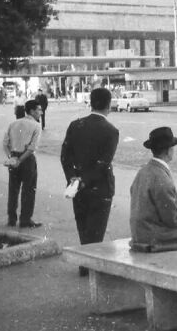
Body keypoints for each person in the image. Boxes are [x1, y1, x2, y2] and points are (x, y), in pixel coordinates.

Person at [60, 88, 119, 276]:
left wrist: (73, 178)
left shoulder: (75, 125)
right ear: (108, 104)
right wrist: (85, 180)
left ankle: (85, 263)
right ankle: (89, 266)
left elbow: (65, 156)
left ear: (91, 103)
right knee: (96, 229)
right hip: (100, 187)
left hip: (76, 186)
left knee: (83, 226)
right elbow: (103, 163)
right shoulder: (111, 130)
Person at [129, 127, 177, 252]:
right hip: (153, 237)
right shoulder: (162, 178)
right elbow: (173, 220)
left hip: (140, 232)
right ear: (169, 151)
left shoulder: (143, 171)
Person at [2, 99, 43, 228]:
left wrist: (12, 157)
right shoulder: (36, 125)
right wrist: (20, 160)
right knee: (29, 189)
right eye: (39, 110)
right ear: (32, 111)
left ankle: (11, 219)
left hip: (14, 157)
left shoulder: (13, 123)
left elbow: (5, 143)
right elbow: (32, 148)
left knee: (13, 189)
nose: (41, 112)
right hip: (27, 159)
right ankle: (25, 219)